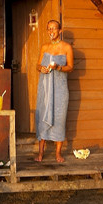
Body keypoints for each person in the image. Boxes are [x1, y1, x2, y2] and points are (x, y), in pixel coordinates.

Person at [35, 19, 73, 163]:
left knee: (59, 118)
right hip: (45, 88)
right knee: (43, 115)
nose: (51, 31)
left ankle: (58, 154)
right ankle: (40, 154)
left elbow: (71, 67)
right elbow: (37, 65)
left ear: (60, 31)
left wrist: (58, 67)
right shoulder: (44, 47)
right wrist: (42, 68)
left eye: (54, 28)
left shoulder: (66, 47)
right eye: (49, 29)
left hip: (60, 89)